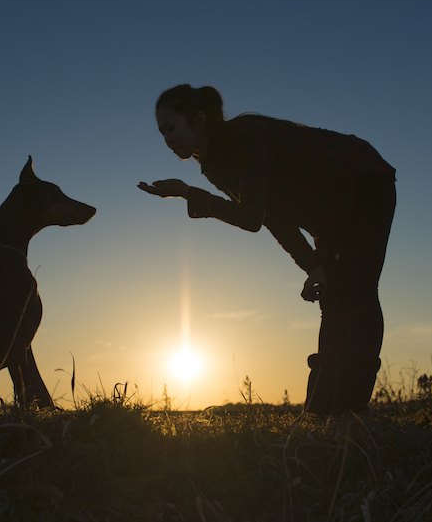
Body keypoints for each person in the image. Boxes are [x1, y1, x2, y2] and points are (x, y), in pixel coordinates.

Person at [138, 84, 396, 415]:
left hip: (363, 181)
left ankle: (348, 409)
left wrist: (189, 194)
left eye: (170, 128)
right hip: (329, 209)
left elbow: (251, 218)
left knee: (356, 291)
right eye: (162, 133)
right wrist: (312, 265)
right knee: (333, 294)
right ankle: (321, 410)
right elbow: (271, 217)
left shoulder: (247, 136)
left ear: (199, 119)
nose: (167, 139)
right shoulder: (215, 164)